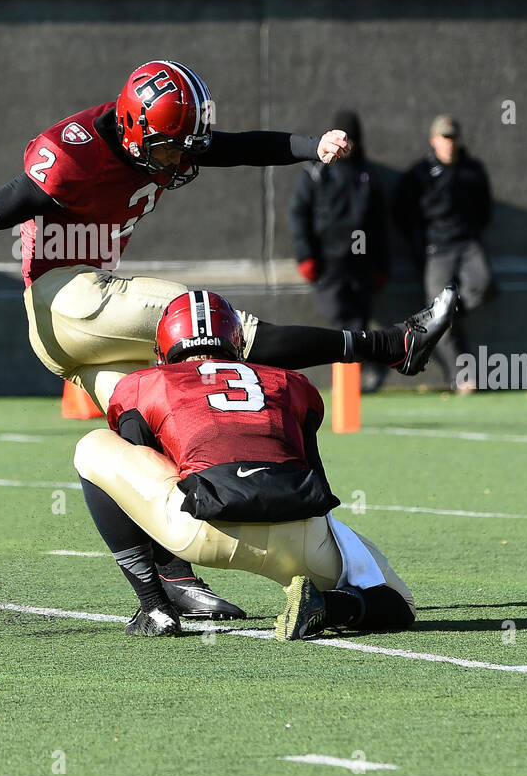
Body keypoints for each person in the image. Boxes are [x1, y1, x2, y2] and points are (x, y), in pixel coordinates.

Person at [0, 60, 454, 620]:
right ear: (132, 131)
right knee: (202, 316)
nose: (179, 161)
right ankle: (392, 346)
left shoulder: (156, 130)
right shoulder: (73, 158)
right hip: (64, 298)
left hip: (84, 334)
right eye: (169, 148)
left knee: (145, 436)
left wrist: (311, 146)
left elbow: (237, 147)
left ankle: (163, 588)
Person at [74, 290, 417, 639]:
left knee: (93, 446)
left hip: (202, 528)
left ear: (164, 347)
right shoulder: (290, 382)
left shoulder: (142, 385)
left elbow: (139, 477)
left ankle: (155, 607)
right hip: (300, 536)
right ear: (236, 342)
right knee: (400, 602)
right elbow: (315, 476)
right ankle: (327, 606)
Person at [290, 109, 392, 392]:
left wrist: (382, 265)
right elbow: (299, 215)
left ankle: (357, 380)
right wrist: (305, 256)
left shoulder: (368, 176)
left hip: (360, 264)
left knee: (356, 321)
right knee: (339, 317)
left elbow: (379, 224)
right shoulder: (315, 172)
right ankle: (369, 365)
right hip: (327, 262)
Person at [395, 114, 494, 388]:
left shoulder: (472, 170)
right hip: (435, 250)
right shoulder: (420, 173)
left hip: (467, 244)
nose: (449, 144)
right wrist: (418, 242)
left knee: (482, 285)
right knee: (439, 314)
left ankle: (454, 311)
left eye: (453, 138)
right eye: (444, 138)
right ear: (434, 140)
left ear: (459, 140)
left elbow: (485, 208)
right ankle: (463, 377)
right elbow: (400, 211)